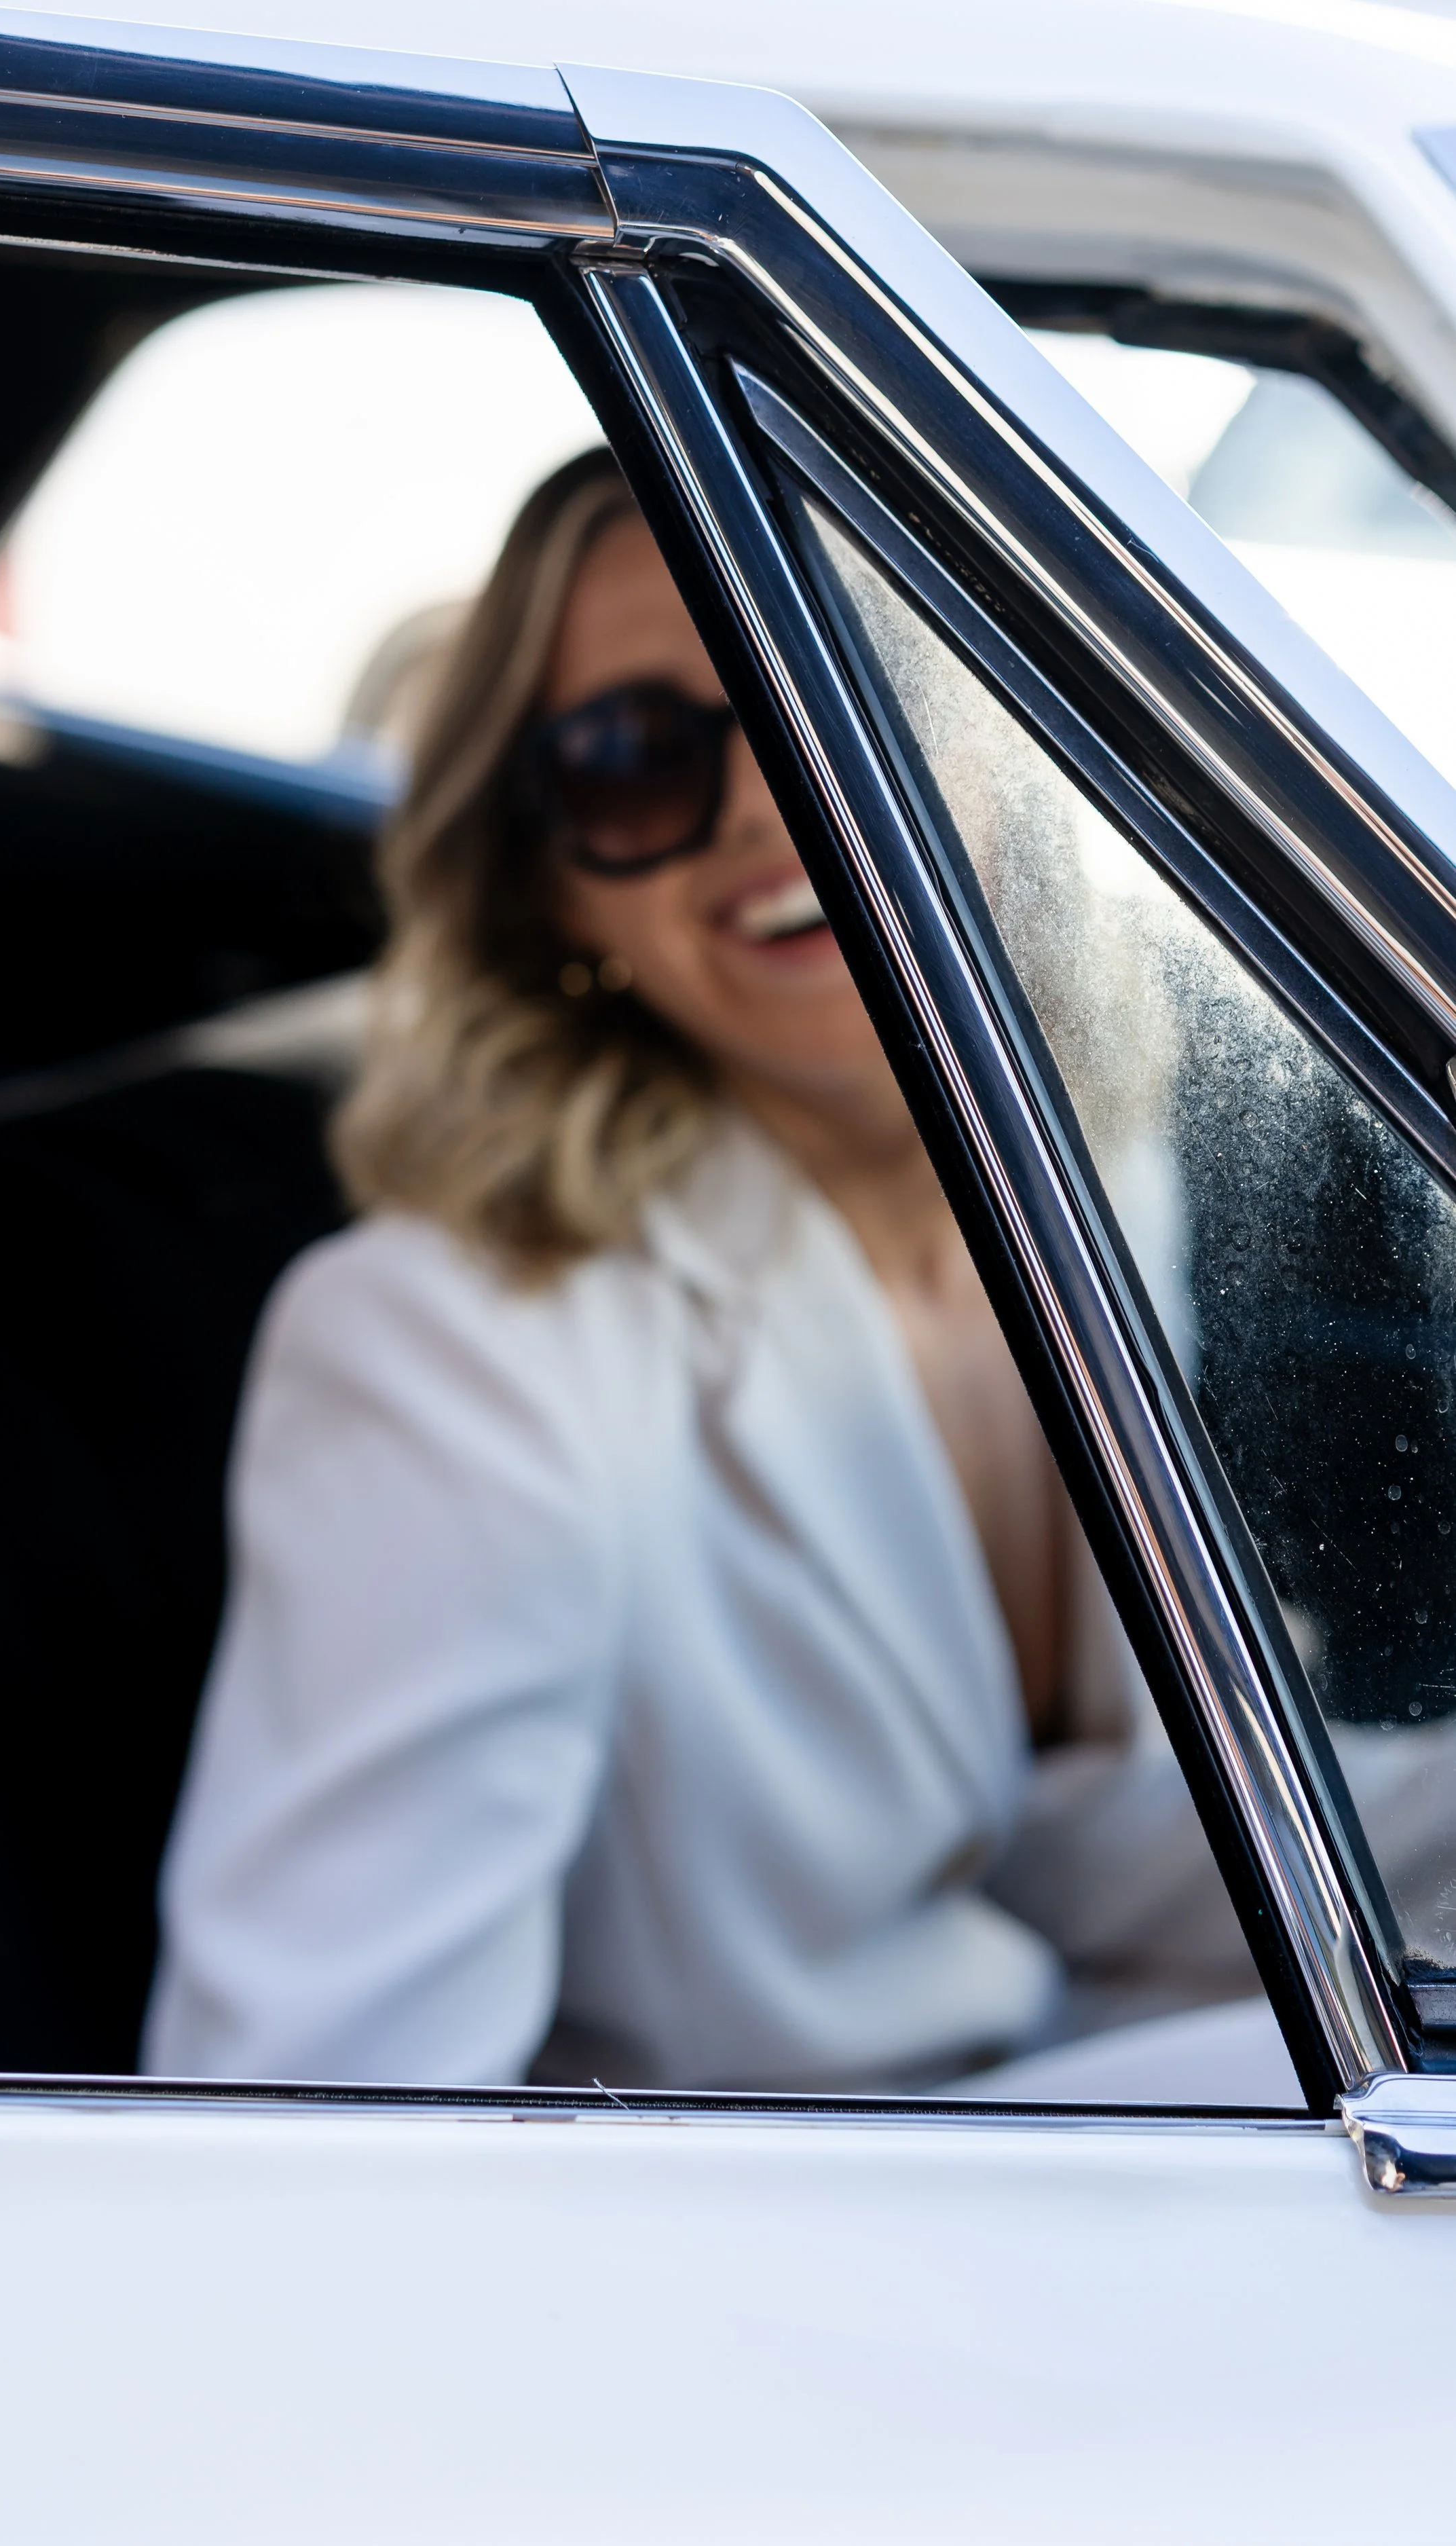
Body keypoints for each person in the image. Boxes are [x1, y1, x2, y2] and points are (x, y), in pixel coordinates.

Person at [143, 448, 1250, 2092]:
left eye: (843, 674)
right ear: (548, 885)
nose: (764, 798)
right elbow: (308, 2112)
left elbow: (1052, 1837)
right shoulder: (447, 1351)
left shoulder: (1090, 1166)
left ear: (992, 740)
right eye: (631, 758)